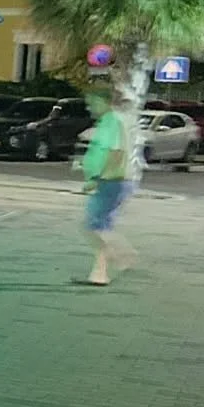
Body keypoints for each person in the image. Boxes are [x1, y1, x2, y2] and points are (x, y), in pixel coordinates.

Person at [77, 86, 136, 286]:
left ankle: (121, 255)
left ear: (105, 102)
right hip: (113, 180)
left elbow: (116, 153)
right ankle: (99, 273)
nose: (89, 106)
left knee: (92, 226)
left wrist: (97, 177)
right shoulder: (108, 122)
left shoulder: (112, 122)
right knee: (101, 226)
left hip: (112, 181)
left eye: (92, 102)